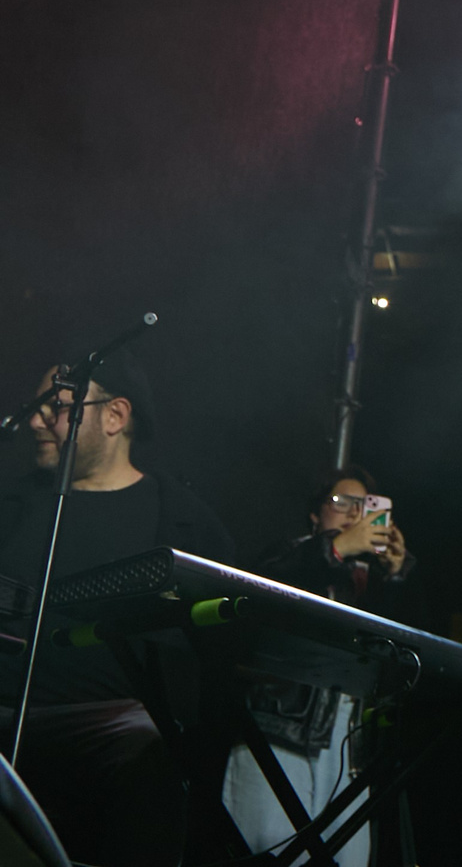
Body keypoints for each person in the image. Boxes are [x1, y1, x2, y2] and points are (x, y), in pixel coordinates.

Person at [0, 353, 236, 867]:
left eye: (57, 406)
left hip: (114, 735)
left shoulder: (186, 526)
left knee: (148, 745)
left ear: (115, 415)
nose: (37, 421)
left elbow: (220, 660)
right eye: (37, 407)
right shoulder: (11, 506)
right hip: (5, 723)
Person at [220, 466, 414, 866]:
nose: (353, 513)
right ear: (315, 514)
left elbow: (406, 654)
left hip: (348, 743)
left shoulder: (373, 580)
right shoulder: (290, 554)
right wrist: (336, 548)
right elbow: (258, 591)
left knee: (350, 857)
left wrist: (397, 575)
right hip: (280, 729)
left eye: (364, 506)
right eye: (341, 502)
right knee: (268, 848)